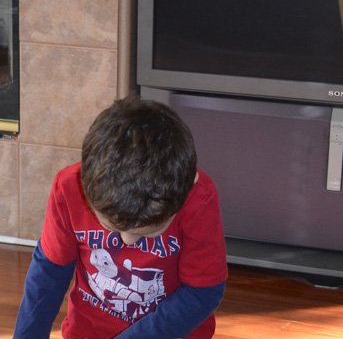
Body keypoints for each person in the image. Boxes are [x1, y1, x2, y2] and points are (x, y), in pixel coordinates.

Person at [13, 96, 228, 338]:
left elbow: (202, 292)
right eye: (111, 226)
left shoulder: (199, 200)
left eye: (148, 232)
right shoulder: (68, 188)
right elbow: (48, 275)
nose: (127, 241)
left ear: (186, 191)